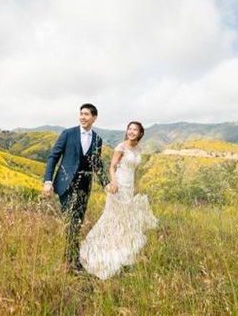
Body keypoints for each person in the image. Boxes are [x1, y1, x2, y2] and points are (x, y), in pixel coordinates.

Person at [79, 121, 158, 280]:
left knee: (125, 219)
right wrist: (113, 183)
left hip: (129, 188)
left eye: (135, 129)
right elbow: (112, 167)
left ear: (140, 133)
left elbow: (135, 170)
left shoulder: (139, 149)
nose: (131, 131)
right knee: (112, 217)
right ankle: (102, 249)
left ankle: (121, 246)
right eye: (130, 129)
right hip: (119, 185)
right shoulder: (121, 147)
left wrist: (137, 187)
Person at [42, 103, 109, 274]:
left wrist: (106, 183)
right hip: (66, 185)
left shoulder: (97, 139)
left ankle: (71, 258)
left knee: (77, 223)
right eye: (81, 114)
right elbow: (53, 157)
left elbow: (97, 164)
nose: (83, 117)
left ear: (94, 118)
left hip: (84, 186)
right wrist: (48, 181)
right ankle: (71, 260)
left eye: (86, 114)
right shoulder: (67, 134)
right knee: (71, 221)